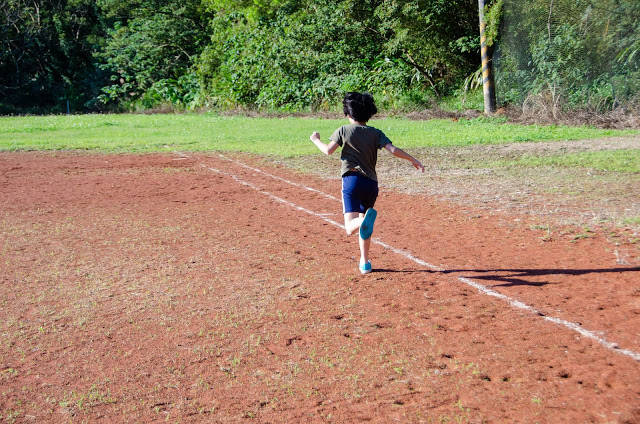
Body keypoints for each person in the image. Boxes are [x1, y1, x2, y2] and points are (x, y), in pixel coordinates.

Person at [310, 92, 424, 274]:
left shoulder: (343, 130)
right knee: (365, 227)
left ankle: (363, 222)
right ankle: (364, 262)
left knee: (350, 227)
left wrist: (315, 140)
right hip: (371, 184)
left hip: (352, 181)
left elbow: (328, 151)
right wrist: (413, 159)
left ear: (348, 113)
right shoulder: (376, 133)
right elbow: (393, 150)